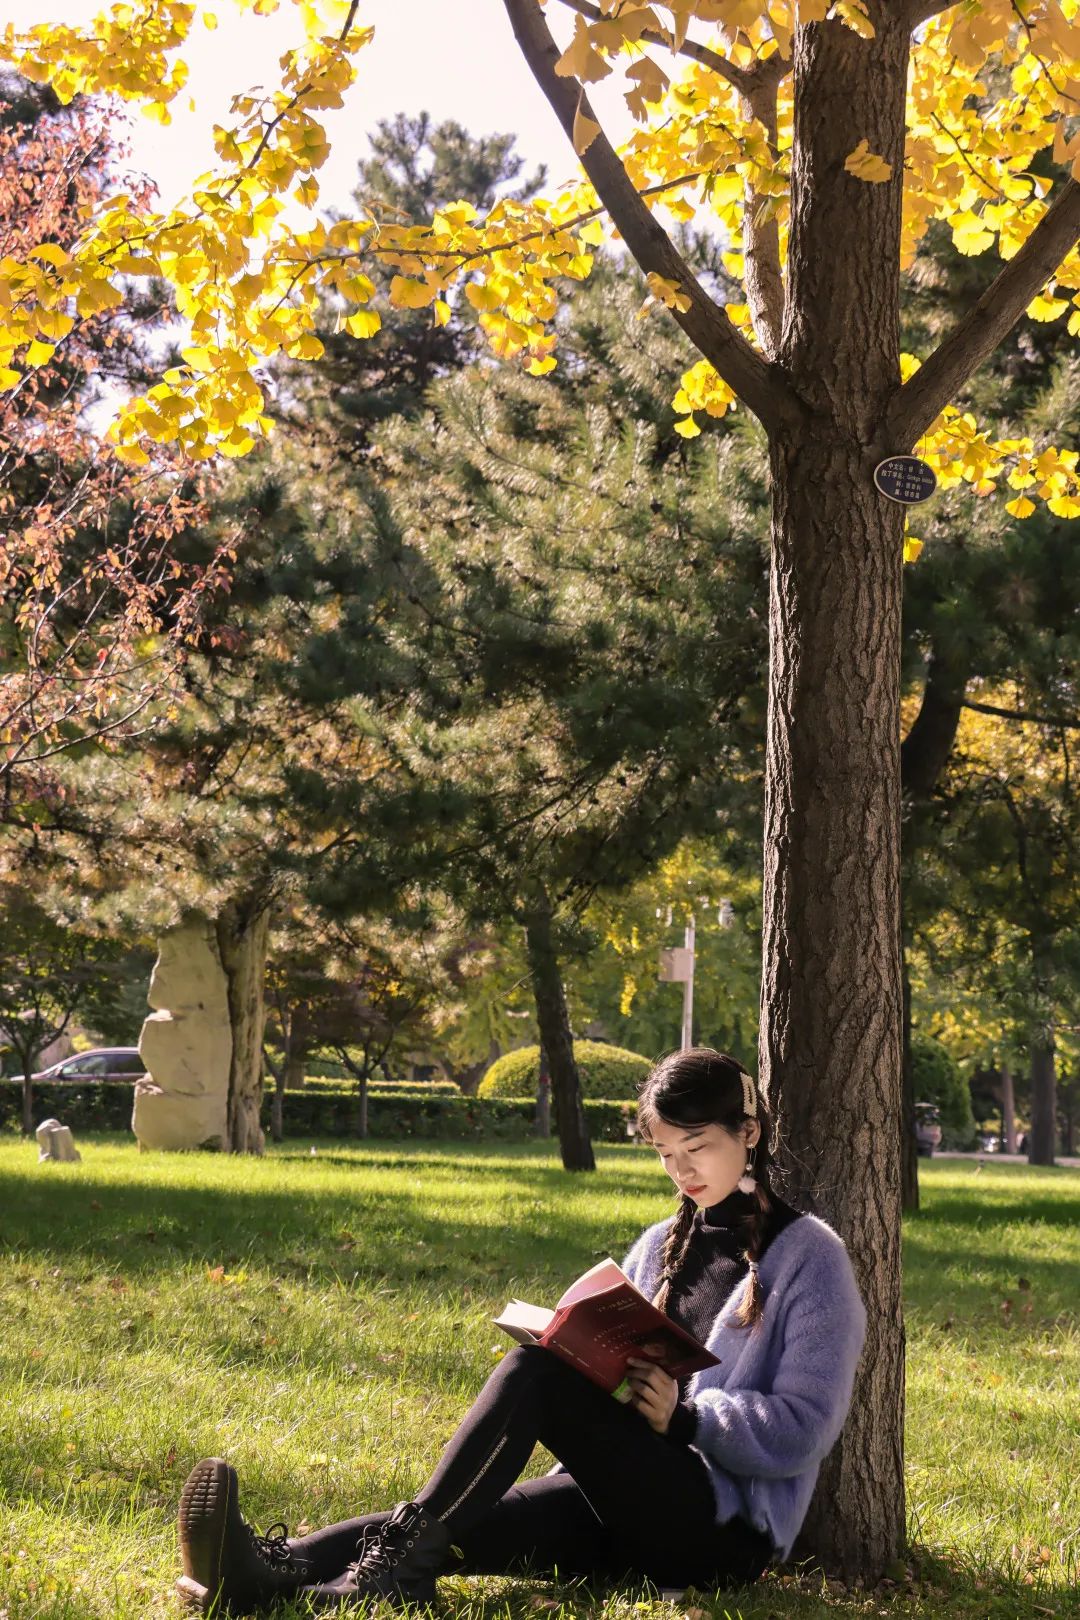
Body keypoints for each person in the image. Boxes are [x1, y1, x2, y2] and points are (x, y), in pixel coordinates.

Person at [176, 1048, 866, 1614]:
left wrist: (686, 1419)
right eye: (664, 1153)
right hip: (615, 1504)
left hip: (722, 1533)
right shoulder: (660, 1244)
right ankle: (271, 1571)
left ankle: (388, 1575)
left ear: (749, 1133)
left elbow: (805, 1426)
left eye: (698, 1147)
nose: (682, 1170)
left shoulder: (811, 1257)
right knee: (467, 1519)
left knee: (535, 1375)